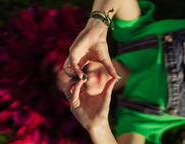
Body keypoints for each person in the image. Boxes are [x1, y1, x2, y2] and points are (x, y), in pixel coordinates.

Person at [64, 0, 185, 144]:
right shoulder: (134, 117)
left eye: (82, 68)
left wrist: (96, 25)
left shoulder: (131, 34)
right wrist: (97, 127)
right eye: (79, 85)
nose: (88, 78)